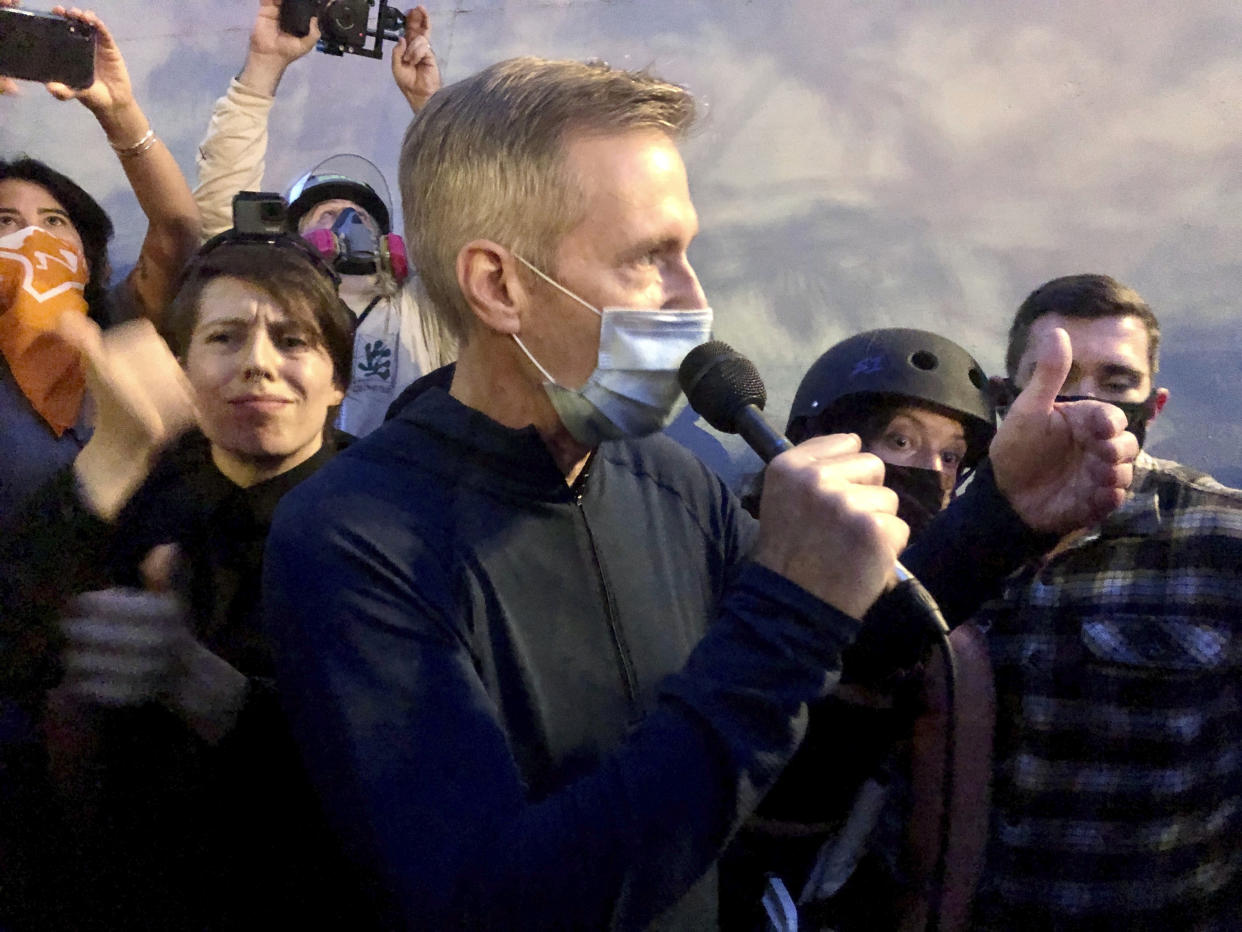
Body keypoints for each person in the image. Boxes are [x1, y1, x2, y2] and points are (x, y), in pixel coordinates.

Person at [262, 58, 1136, 930]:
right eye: (651, 260)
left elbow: (834, 653)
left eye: (688, 252)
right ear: (500, 286)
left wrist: (1002, 515)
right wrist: (786, 607)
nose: (696, 301)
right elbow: (499, 900)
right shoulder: (352, 537)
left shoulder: (671, 480)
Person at [0, 233, 363, 930]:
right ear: (185, 370)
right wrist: (108, 456)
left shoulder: (390, 521)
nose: (258, 364)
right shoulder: (139, 486)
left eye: (292, 341)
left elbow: (394, 768)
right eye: (224, 338)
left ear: (338, 380)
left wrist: (202, 685)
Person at [969, 273, 1242, 930]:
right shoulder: (943, 538)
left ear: (1158, 403)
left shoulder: (1223, 541)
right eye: (1057, 377)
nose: (1089, 404)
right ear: (1009, 398)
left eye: (1118, 383)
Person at [723, 328, 997, 930]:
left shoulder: (946, 642)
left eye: (951, 455)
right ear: (826, 445)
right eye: (902, 439)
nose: (932, 470)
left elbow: (939, 875)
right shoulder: (711, 561)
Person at [193, 0, 452, 437]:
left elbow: (462, 214)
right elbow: (223, 199)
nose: (345, 224)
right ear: (298, 240)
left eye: (358, 216)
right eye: (328, 214)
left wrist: (430, 108)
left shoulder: (422, 311)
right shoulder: (266, 303)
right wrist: (263, 67)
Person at [0, 4, 201, 516]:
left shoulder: (114, 328)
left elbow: (177, 230)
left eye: (54, 221)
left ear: (90, 259)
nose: (31, 236)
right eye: (5, 222)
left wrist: (118, 109)